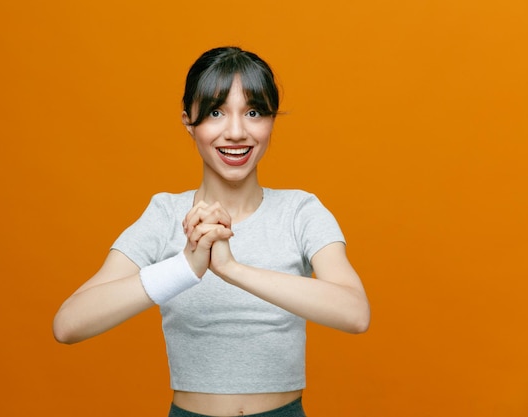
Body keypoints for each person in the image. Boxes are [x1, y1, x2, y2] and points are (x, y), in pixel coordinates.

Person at [53, 46, 370, 417]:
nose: (236, 132)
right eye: (216, 113)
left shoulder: (300, 211)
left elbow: (355, 313)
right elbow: (68, 324)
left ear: (270, 121)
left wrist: (232, 269)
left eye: (253, 112)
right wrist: (185, 268)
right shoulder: (165, 214)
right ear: (189, 121)